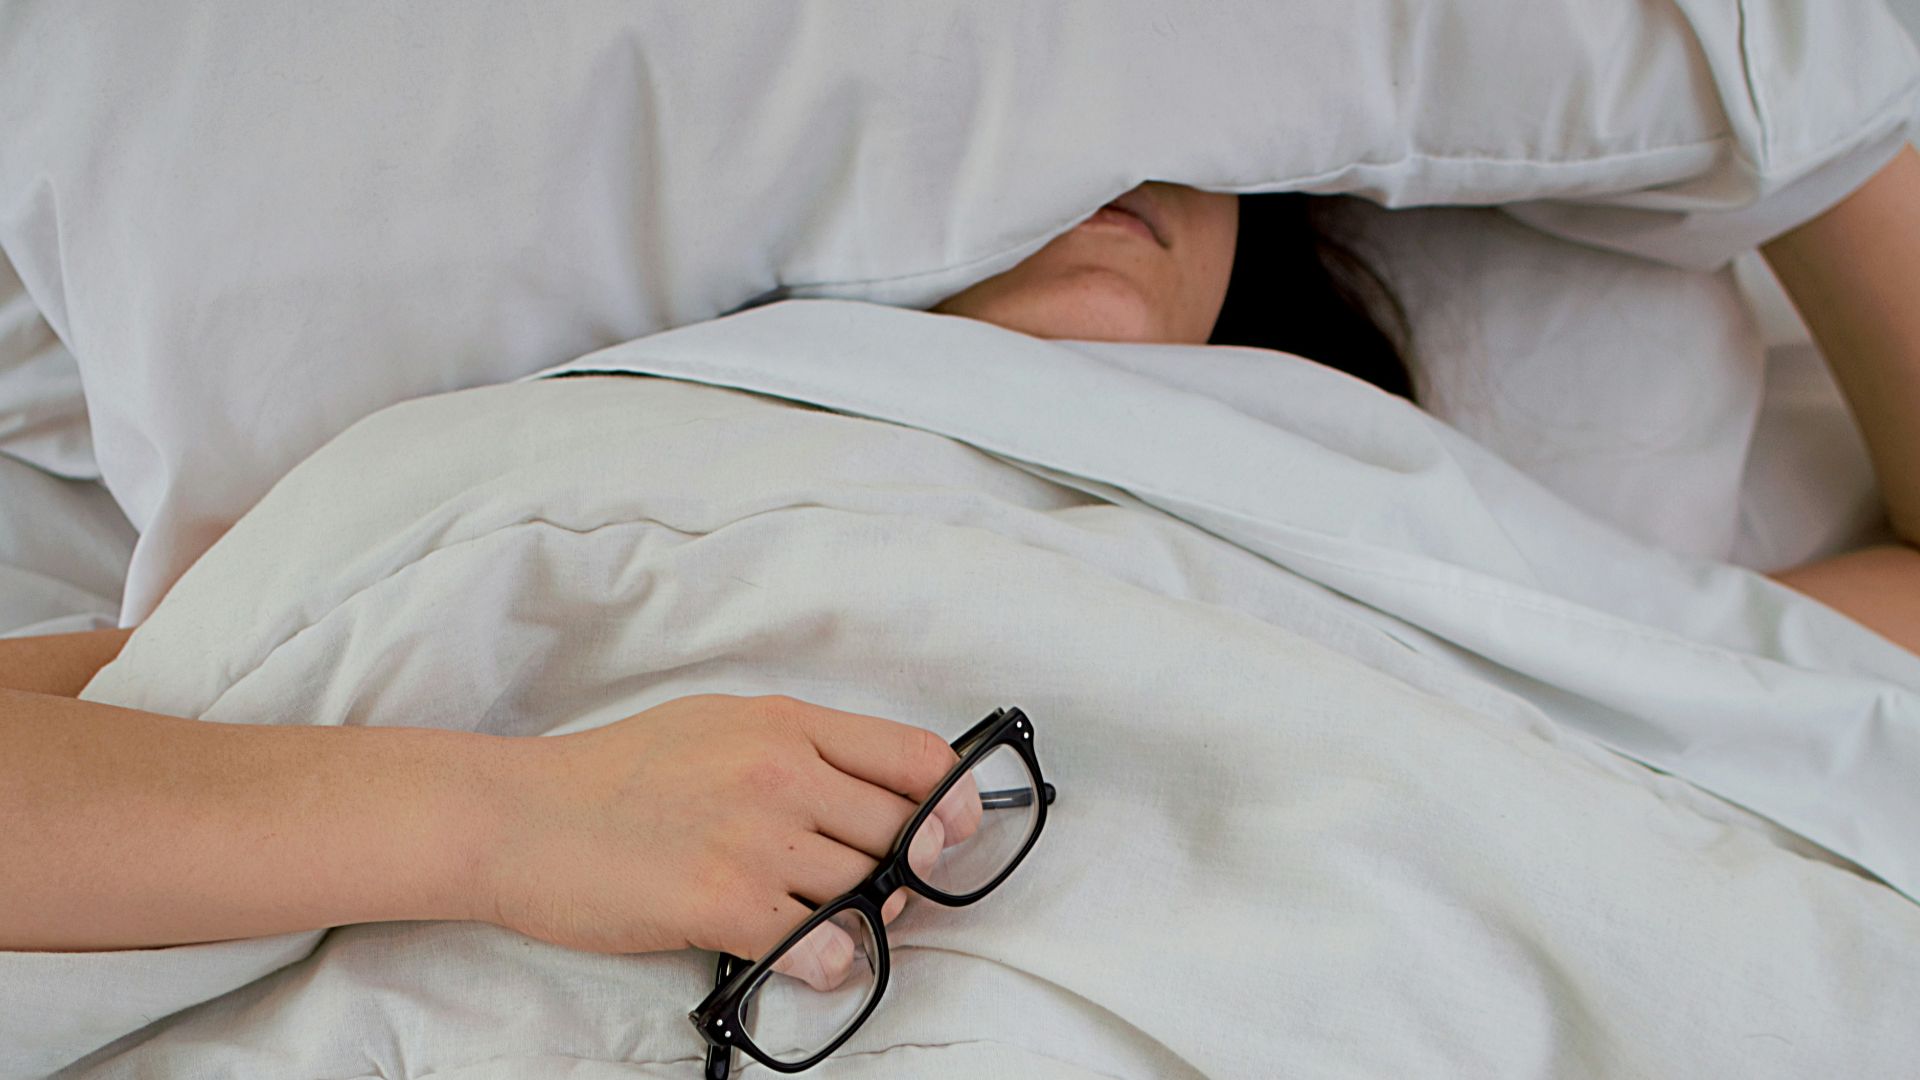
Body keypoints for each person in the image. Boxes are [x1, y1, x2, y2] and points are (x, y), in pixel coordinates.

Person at [2, 152, 1917, 993]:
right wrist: (513, 822)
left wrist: (1800, 95)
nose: (1102, 157)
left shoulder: (1412, 538)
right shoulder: (572, 477)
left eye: (1160, 99)